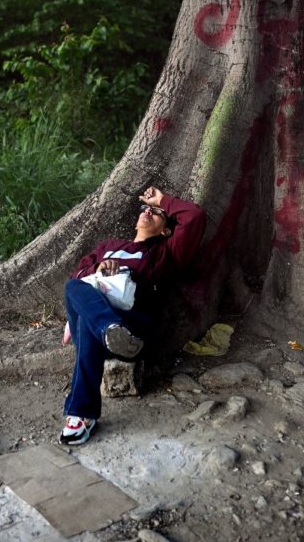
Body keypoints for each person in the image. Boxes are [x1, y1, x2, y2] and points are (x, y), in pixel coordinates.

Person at [59, 186, 206, 445]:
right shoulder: (109, 246)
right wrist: (98, 267)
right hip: (104, 322)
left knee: (84, 324)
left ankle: (81, 415)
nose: (148, 211)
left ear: (166, 230)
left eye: (156, 213)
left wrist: (161, 200)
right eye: (145, 208)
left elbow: (195, 216)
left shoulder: (166, 252)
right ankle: (108, 328)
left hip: (133, 328)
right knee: (72, 287)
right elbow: (77, 277)